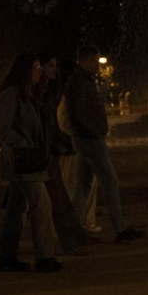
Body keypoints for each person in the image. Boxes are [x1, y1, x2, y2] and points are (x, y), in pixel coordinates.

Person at [62, 46, 144, 243]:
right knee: (110, 181)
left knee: (83, 185)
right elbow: (77, 114)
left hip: (87, 138)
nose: (96, 66)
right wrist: (94, 131)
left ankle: (72, 230)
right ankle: (120, 229)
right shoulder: (79, 83)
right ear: (81, 61)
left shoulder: (82, 81)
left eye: (97, 62)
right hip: (90, 140)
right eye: (92, 62)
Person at [0, 55, 63, 273]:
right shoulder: (12, 94)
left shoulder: (28, 95)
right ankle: (45, 257)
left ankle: (6, 257)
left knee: (16, 209)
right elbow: (3, 129)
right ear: (23, 71)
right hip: (21, 160)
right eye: (35, 68)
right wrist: (24, 145)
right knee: (41, 204)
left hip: (26, 159)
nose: (39, 71)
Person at [36, 56, 89, 254]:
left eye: (56, 66)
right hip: (40, 152)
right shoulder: (34, 92)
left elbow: (51, 123)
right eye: (50, 65)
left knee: (21, 203)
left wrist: (62, 141)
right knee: (58, 197)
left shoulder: (49, 91)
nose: (54, 69)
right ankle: (73, 241)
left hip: (47, 150)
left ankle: (2, 244)